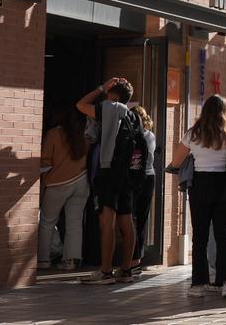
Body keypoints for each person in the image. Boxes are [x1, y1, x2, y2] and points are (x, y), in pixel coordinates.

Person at [167, 95, 226, 299]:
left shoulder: (193, 133)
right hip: (224, 185)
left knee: (200, 238)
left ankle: (198, 284)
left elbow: (176, 161)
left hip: (200, 185)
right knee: (223, 237)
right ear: (225, 112)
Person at [75, 77, 140, 285]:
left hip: (108, 170)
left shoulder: (108, 108)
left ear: (113, 93)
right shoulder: (132, 115)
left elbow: (80, 105)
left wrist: (102, 86)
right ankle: (126, 269)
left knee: (107, 221)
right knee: (126, 220)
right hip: (127, 173)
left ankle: (105, 272)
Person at [38, 106, 90, 271]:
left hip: (57, 183)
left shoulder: (53, 134)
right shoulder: (85, 135)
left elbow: (45, 162)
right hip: (82, 182)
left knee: (47, 221)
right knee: (74, 222)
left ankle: (43, 260)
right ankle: (71, 261)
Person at [125, 105, 157, 278]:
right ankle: (135, 260)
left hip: (138, 178)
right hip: (149, 177)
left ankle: (133, 260)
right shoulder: (150, 135)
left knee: (131, 218)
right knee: (140, 219)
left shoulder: (137, 136)